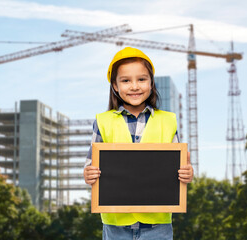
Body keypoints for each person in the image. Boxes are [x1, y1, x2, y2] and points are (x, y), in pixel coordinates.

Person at [83, 47, 194, 240]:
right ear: (115, 86)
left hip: (158, 225)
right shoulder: (103, 121)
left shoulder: (167, 121)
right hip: (116, 225)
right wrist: (88, 173)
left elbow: (178, 167)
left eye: (141, 79)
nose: (134, 86)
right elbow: (90, 165)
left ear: (151, 83)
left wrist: (187, 173)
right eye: (126, 80)